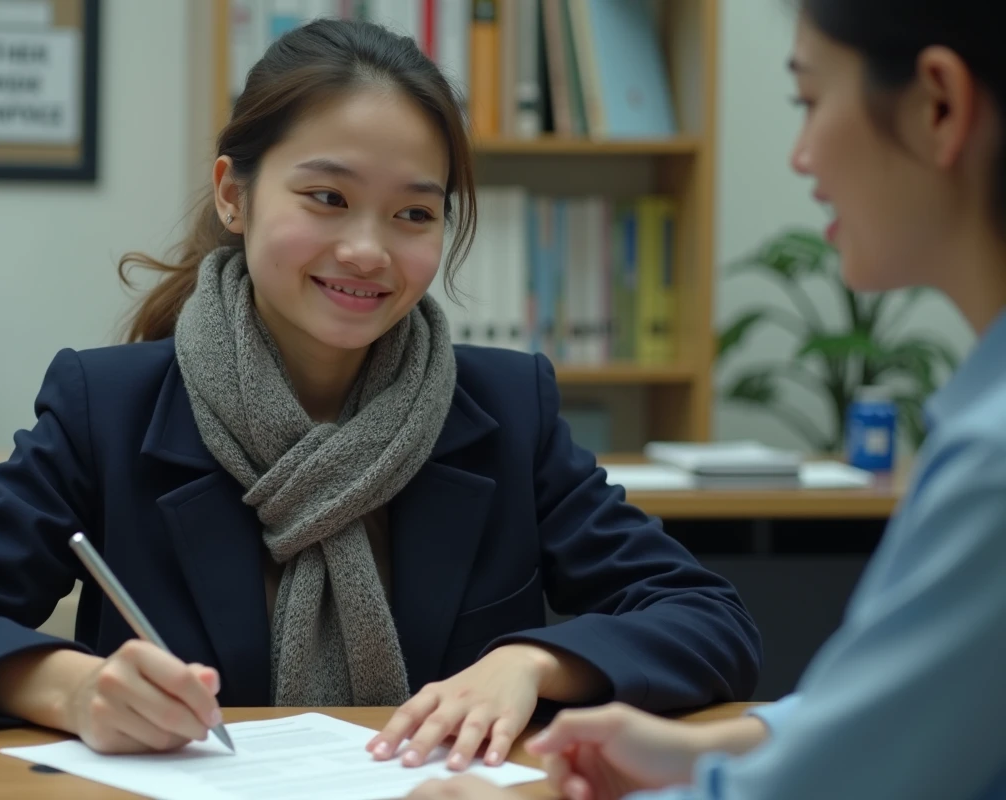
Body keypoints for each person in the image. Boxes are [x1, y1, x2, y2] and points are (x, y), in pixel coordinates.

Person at [0, 17, 761, 768]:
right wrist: (69, 688)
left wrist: (532, 663)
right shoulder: (107, 406)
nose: (367, 249)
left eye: (414, 213)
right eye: (327, 197)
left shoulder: (506, 409)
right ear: (233, 196)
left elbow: (708, 621)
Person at [407, 0, 1006, 798]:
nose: (798, 155)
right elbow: (912, 714)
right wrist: (728, 746)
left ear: (938, 106)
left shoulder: (993, 463)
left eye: (808, 100)